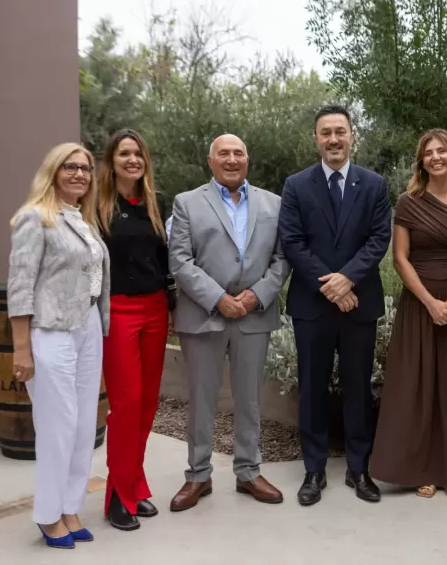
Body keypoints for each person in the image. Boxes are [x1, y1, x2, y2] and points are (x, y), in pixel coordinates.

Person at [167, 134, 290, 510]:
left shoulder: (274, 203)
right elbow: (180, 261)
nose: (232, 159)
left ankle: (249, 471)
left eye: (238, 153)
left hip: (254, 313)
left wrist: (257, 294)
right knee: (201, 398)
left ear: (247, 161)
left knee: (250, 398)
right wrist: (219, 299)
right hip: (204, 314)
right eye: (224, 153)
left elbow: (283, 258)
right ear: (211, 160)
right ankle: (198, 476)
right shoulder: (187, 203)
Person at [278, 105, 392, 506]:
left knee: (358, 387)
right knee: (312, 389)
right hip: (312, 304)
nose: (333, 139)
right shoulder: (295, 186)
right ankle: (314, 470)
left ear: (351, 135)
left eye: (340, 131)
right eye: (325, 132)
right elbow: (292, 242)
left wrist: (348, 279)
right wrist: (332, 285)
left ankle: (359, 469)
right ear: (316, 139)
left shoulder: (374, 184)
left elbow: (379, 239)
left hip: (359, 303)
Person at [369, 129, 447, 499]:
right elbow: (400, 259)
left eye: (442, 151)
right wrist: (430, 302)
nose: (435, 157)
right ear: (421, 160)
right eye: (428, 152)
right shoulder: (407, 202)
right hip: (420, 305)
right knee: (416, 387)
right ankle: (421, 468)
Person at [7, 142, 110, 548]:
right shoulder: (35, 218)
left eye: (85, 168)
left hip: (87, 326)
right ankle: (48, 515)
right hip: (51, 330)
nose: (80, 174)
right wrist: (21, 348)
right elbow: (20, 286)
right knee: (58, 425)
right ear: (53, 171)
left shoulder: (84, 221)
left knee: (85, 424)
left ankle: (70, 507)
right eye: (70, 167)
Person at [95, 129, 175, 531]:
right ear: (111, 161)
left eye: (138, 153)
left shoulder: (151, 205)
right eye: (124, 153)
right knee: (125, 406)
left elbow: (164, 262)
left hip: (155, 310)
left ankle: (134, 483)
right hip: (118, 311)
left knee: (146, 405)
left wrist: (173, 305)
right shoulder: (98, 207)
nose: (132, 160)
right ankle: (116, 494)